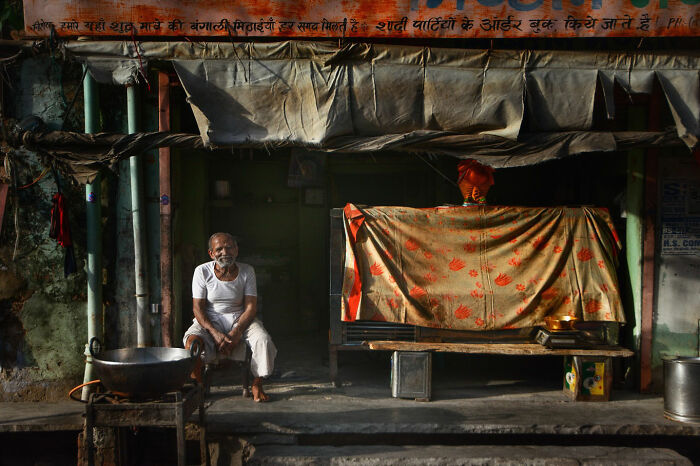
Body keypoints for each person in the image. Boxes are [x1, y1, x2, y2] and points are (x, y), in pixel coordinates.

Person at [184, 232, 277, 402]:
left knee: (263, 340)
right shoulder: (202, 271)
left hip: (240, 319)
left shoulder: (247, 271)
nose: (224, 252)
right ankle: (198, 387)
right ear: (211, 253)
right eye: (219, 249)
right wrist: (214, 332)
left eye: (229, 247)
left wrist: (236, 332)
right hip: (209, 320)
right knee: (192, 343)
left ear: (236, 250)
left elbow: (250, 307)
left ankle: (257, 384)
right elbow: (198, 308)